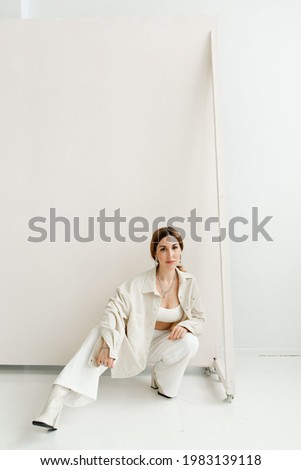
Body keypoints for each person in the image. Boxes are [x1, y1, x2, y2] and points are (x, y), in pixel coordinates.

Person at [32, 226, 205, 431]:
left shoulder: (189, 282)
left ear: (181, 250)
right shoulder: (137, 284)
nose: (171, 254)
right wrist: (108, 345)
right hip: (134, 343)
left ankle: (162, 379)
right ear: (155, 254)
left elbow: (200, 318)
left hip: (164, 344)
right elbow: (113, 310)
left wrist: (186, 325)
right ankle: (55, 401)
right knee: (98, 333)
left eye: (175, 248)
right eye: (163, 249)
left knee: (190, 342)